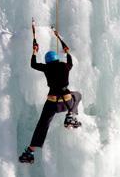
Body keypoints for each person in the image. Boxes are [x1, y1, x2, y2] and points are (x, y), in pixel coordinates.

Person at [19, 30, 82, 164]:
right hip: (67, 102)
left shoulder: (46, 68)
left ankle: (29, 152)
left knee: (42, 125)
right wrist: (67, 51)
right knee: (77, 95)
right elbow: (70, 60)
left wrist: (35, 51)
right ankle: (70, 117)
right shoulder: (65, 66)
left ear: (48, 62)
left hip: (52, 104)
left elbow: (33, 64)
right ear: (57, 59)